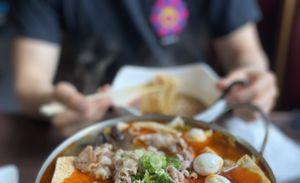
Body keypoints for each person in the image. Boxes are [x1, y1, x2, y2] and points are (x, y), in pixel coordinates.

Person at [11, 0, 278, 136]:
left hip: (197, 128)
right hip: (94, 124)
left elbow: (244, 54)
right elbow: (29, 85)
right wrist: (59, 102)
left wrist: (252, 80)